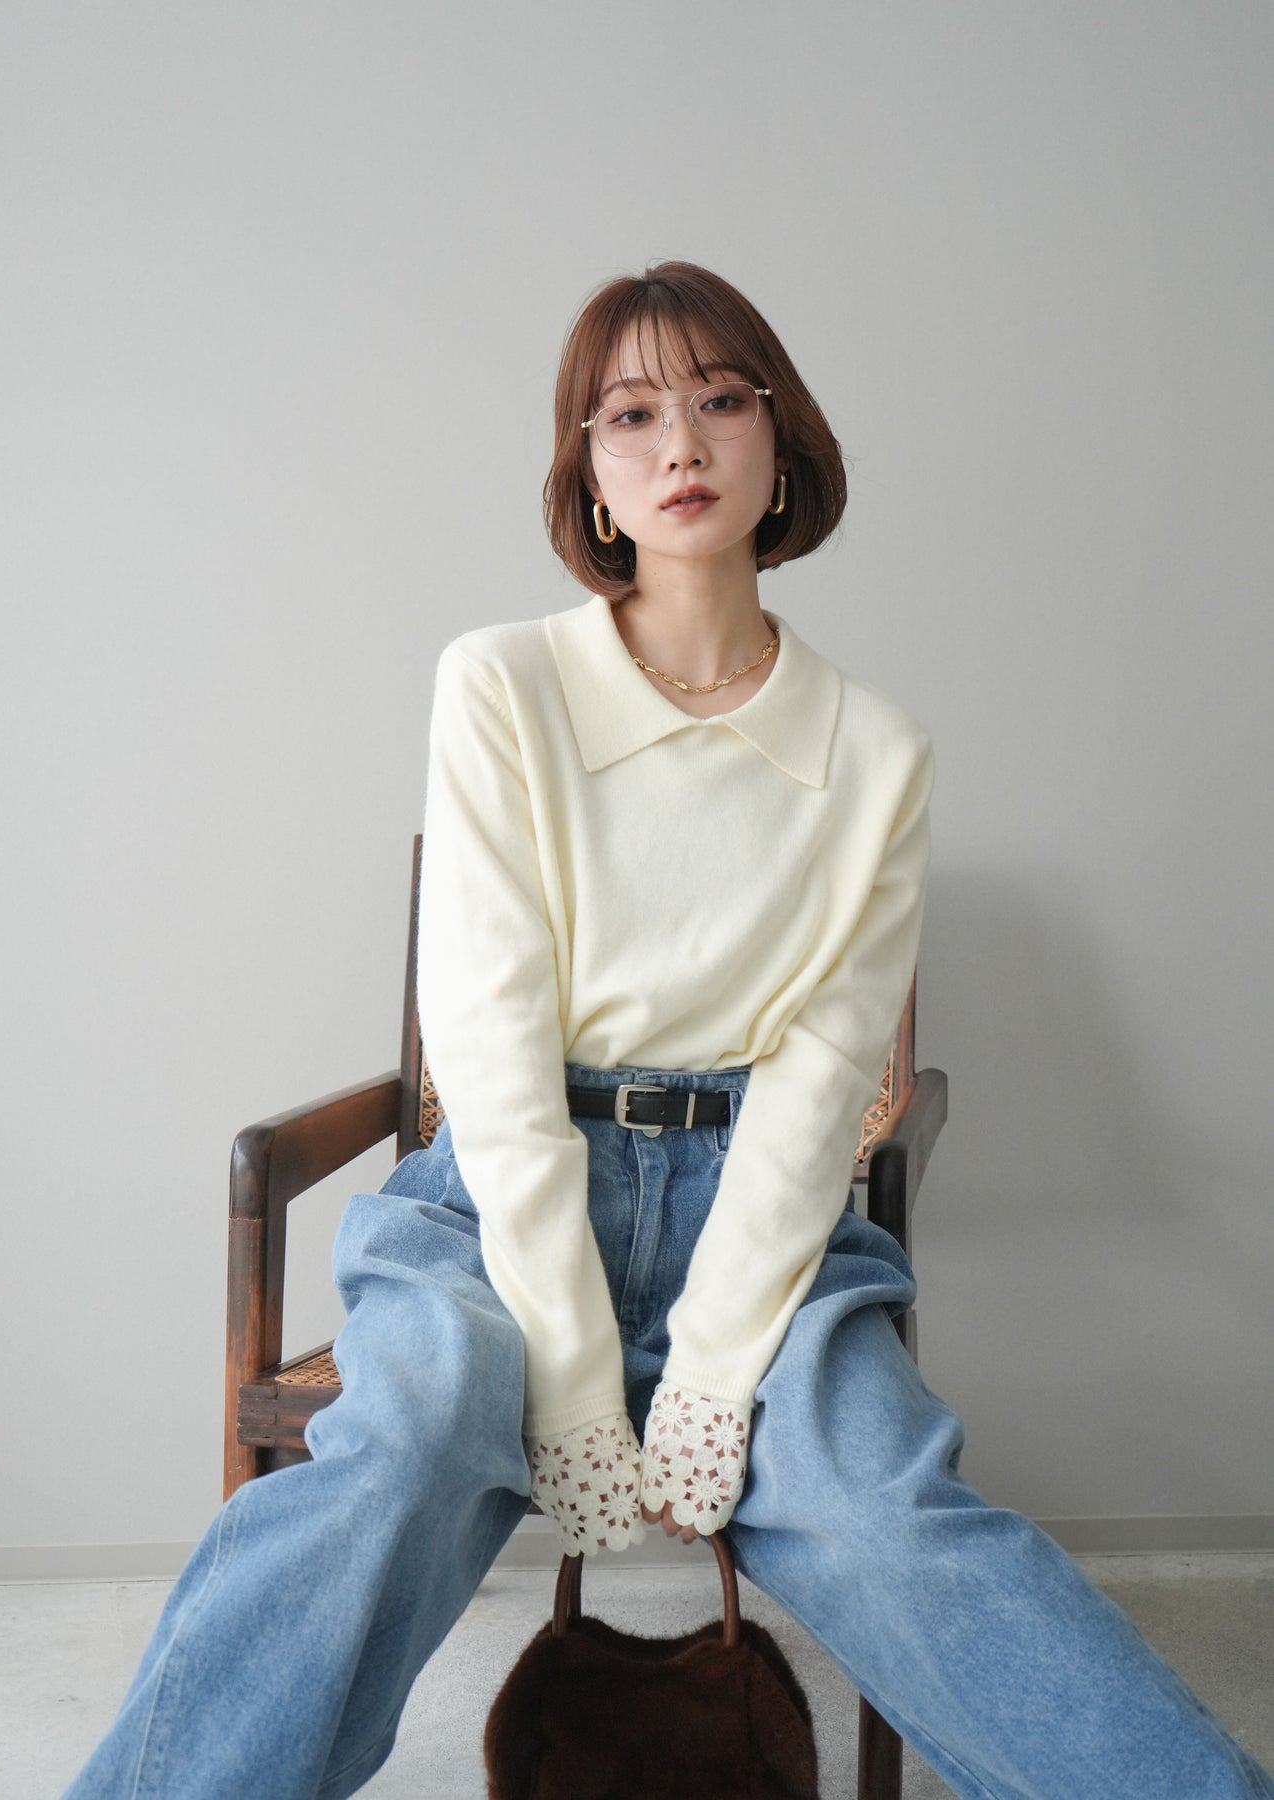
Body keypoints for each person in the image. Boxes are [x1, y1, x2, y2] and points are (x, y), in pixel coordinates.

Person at [64, 261, 1274, 1799]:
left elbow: (824, 1071)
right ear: (589, 472)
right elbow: (486, 1032)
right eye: (628, 415)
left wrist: (709, 1366)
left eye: (718, 399)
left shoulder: (874, 750)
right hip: (500, 1206)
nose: (680, 444)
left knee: (884, 1518)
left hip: (762, 1218)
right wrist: (576, 1370)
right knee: (402, 1446)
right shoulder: (502, 684)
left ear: (783, 443)